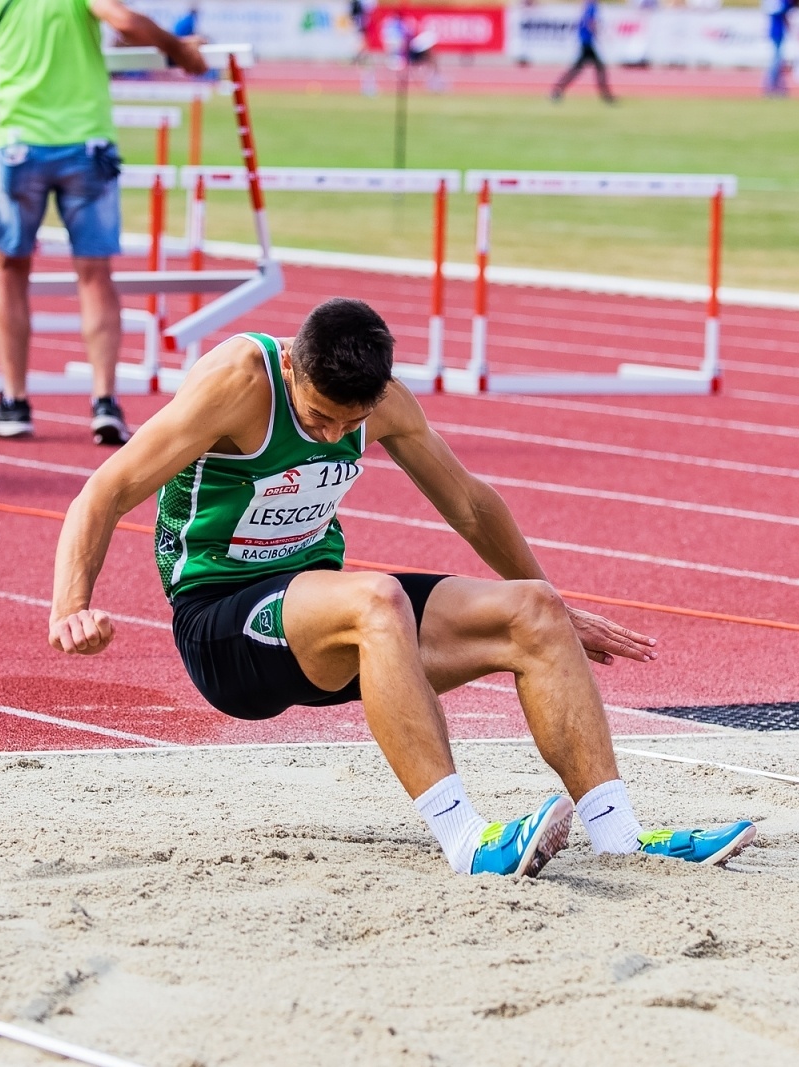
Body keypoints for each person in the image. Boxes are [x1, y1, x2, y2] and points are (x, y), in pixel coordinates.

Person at [48, 300, 757, 878]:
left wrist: (562, 608)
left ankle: (619, 834)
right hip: (223, 625)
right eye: (320, 416)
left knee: (534, 611)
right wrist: (70, 604)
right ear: (292, 363)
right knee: (377, 596)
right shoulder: (241, 379)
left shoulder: (381, 401)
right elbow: (105, 491)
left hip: (320, 612)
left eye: (349, 424)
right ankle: (466, 840)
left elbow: (471, 505)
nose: (332, 436)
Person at [0, 0, 204, 446]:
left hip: (19, 148)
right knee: (95, 275)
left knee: (9, 271)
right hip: (87, 146)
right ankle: (104, 401)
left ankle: (15, 401)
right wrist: (179, 50)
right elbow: (124, 21)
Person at [551, 0, 615, 104]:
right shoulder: (592, 6)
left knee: (579, 69)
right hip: (587, 43)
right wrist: (599, 34)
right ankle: (606, 95)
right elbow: (590, 22)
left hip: (585, 41)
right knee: (597, 68)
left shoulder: (587, 5)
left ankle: (558, 90)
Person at [763, 0, 799, 96]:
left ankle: (776, 85)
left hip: (779, 32)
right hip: (776, 32)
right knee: (776, 61)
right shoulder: (775, 3)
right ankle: (772, 86)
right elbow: (783, 8)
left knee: (778, 60)